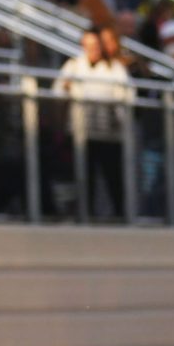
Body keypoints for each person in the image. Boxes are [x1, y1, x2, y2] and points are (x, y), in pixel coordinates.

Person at [56, 28, 132, 219]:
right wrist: (66, 88)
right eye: (87, 45)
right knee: (83, 175)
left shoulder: (114, 68)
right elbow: (57, 91)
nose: (92, 49)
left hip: (109, 133)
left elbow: (125, 97)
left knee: (113, 177)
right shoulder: (74, 65)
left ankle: (120, 216)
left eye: (95, 45)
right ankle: (85, 214)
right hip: (81, 131)